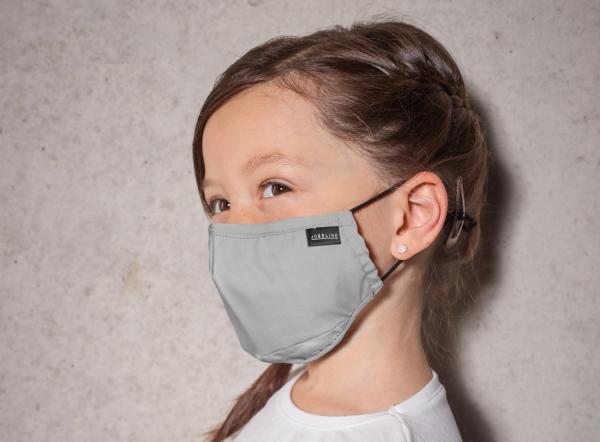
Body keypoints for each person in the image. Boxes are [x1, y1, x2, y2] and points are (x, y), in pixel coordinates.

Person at [192, 17, 489, 442]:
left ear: (412, 215)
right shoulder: (310, 395)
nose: (236, 232)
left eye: (275, 187)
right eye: (221, 203)